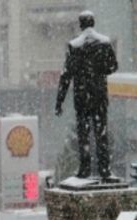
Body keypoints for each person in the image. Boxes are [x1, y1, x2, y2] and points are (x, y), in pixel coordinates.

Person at [55, 10, 118, 180]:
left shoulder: (74, 46)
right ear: (93, 23)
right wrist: (99, 72)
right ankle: (104, 169)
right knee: (101, 132)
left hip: (82, 97)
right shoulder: (105, 43)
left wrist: (59, 101)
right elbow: (113, 67)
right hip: (99, 95)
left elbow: (66, 76)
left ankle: (85, 169)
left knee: (83, 134)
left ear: (81, 24)